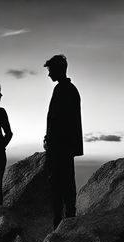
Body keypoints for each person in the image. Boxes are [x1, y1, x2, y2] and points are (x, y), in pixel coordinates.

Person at [43, 55, 83, 229]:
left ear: (59, 70)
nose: (49, 74)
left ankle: (60, 222)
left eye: (50, 70)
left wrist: (49, 139)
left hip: (59, 146)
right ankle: (68, 218)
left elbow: (58, 120)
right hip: (66, 146)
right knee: (67, 181)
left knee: (58, 184)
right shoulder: (70, 89)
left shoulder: (62, 90)